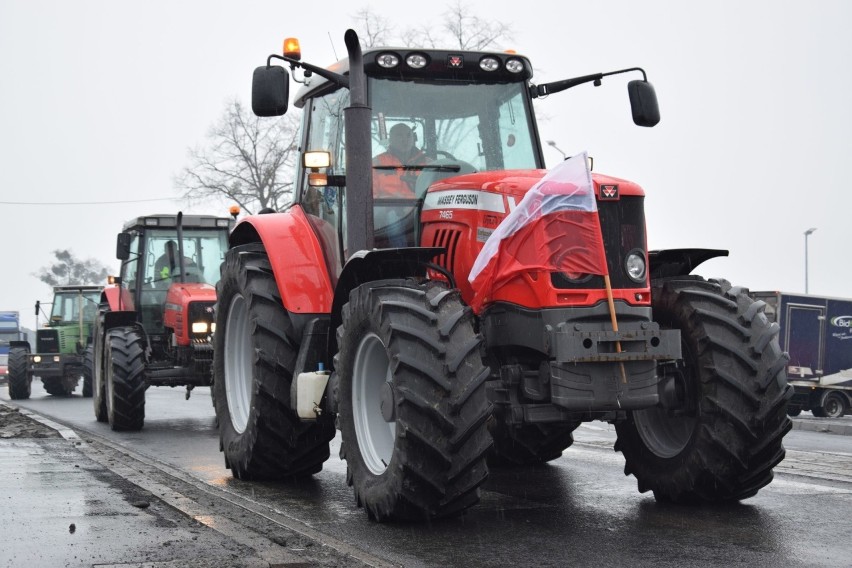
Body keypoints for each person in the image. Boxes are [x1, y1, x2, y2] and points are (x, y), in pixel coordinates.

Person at [373, 123, 432, 197]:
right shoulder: (377, 163)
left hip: (421, 207)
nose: (405, 140)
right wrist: (387, 201)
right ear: (390, 139)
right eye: (399, 135)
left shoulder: (428, 163)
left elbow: (436, 193)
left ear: (413, 138)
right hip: (388, 206)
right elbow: (369, 196)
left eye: (408, 135)